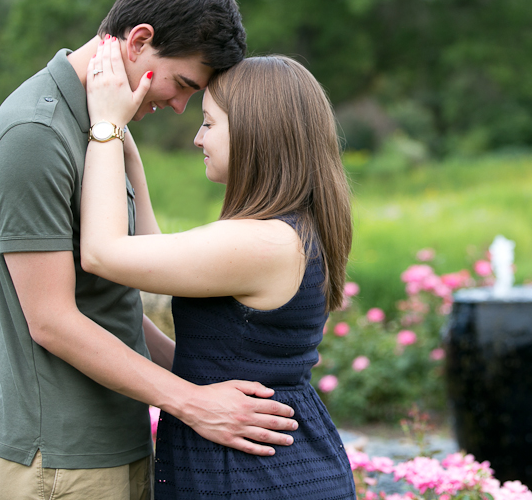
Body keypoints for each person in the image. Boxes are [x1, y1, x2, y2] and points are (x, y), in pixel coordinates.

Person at [0, 0, 298, 500]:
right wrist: (193, 404)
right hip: (58, 461)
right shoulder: (36, 133)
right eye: (183, 84)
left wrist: (211, 389)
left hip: (116, 442)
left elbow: (108, 306)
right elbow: (53, 321)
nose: (178, 106)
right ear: (140, 40)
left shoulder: (104, 129)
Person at [80, 39, 356, 499]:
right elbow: (156, 258)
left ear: (254, 131)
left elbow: (103, 254)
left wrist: (105, 127)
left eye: (209, 123)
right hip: (263, 466)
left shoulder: (263, 242)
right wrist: (129, 158)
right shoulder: (284, 231)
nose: (198, 138)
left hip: (254, 476)